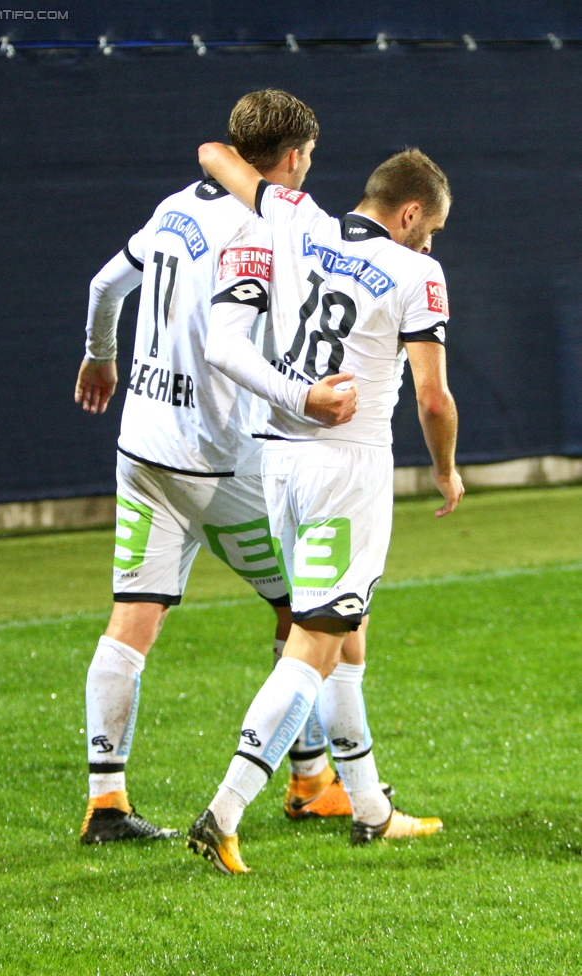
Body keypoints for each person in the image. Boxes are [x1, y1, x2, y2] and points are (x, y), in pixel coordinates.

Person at [73, 90, 358, 845]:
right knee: (313, 611)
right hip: (221, 457)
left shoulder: (172, 207)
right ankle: (309, 782)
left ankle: (106, 804)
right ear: (293, 156)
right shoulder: (265, 227)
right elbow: (239, 347)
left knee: (132, 619)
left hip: (142, 447)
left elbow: (106, 285)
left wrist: (101, 355)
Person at [186, 143, 464, 873]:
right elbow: (432, 397)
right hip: (347, 465)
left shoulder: (296, 218)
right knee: (315, 639)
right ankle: (225, 809)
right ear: (409, 214)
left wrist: (233, 153)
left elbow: (219, 157)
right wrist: (444, 469)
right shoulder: (417, 271)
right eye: (428, 227)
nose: (429, 242)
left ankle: (369, 807)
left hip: (277, 455)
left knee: (347, 628)